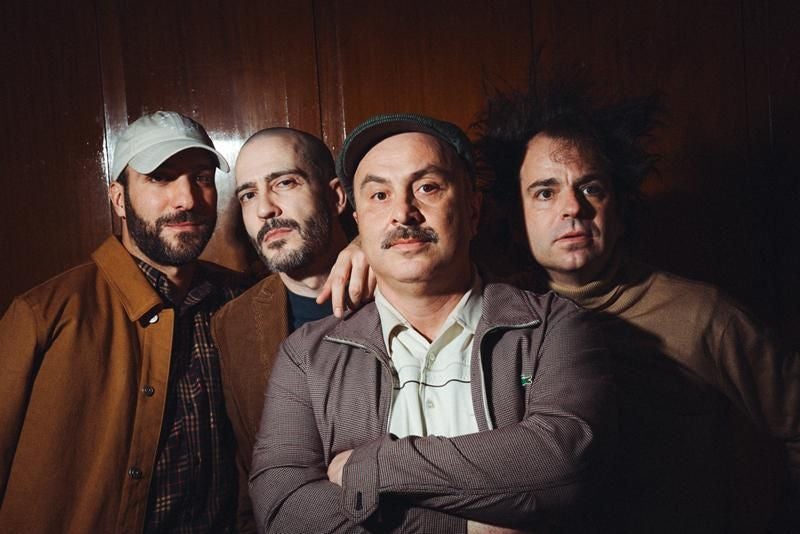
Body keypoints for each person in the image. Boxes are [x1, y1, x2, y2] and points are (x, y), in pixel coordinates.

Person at [249, 113, 616, 533]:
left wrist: (370, 467)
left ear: (473, 211)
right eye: (379, 195)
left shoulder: (553, 325)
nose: (403, 213)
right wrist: (464, 530)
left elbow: (566, 463)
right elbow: (284, 510)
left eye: (427, 188)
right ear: (359, 223)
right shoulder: (306, 356)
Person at [473, 82, 800, 533]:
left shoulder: (702, 316)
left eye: (591, 188)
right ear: (517, 216)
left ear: (620, 208)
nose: (572, 208)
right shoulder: (496, 314)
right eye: (545, 193)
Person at [0, 111, 246, 533]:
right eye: (160, 178)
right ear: (118, 199)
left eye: (202, 177)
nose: (187, 199)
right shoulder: (43, 315)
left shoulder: (241, 301)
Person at [211, 127, 351, 532]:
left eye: (284, 183)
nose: (264, 209)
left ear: (336, 196)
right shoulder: (232, 324)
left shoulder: (406, 287)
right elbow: (247, 478)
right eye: (248, 195)